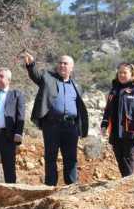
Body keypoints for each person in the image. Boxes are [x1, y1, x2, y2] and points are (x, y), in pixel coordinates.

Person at [23, 52, 89, 186]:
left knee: (71, 158)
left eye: (65, 63)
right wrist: (31, 65)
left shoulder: (77, 86)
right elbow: (36, 75)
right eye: (60, 63)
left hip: (71, 127)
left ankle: (71, 187)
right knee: (50, 157)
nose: (62, 65)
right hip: (52, 125)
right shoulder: (48, 78)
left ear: (71, 67)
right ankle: (50, 187)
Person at [101, 63, 134, 177]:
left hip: (130, 128)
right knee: (119, 155)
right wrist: (104, 124)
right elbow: (108, 108)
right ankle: (125, 179)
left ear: (131, 74)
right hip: (116, 130)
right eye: (120, 72)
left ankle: (129, 180)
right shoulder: (114, 89)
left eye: (125, 72)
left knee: (128, 155)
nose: (122, 75)